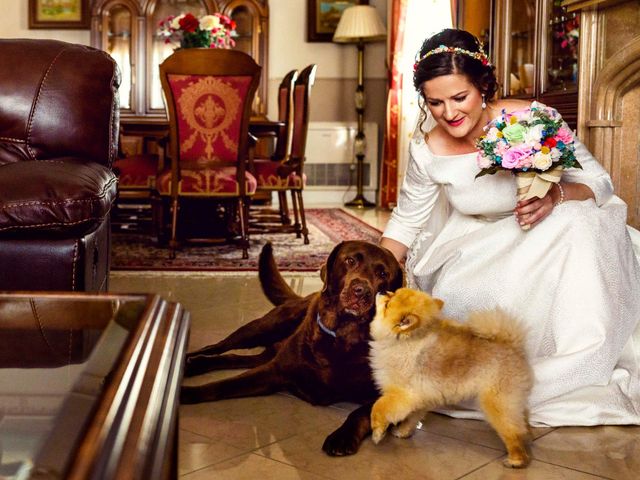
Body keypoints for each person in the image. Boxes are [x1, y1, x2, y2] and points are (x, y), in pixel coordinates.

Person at [381, 28, 640, 426]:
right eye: (435, 102)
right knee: (474, 300)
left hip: (551, 233)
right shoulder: (427, 148)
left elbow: (599, 182)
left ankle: (582, 363)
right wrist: (371, 272)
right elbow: (407, 219)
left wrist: (554, 197)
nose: (449, 113)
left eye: (459, 98)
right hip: (474, 247)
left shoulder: (533, 120)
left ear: (483, 85)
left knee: (583, 220)